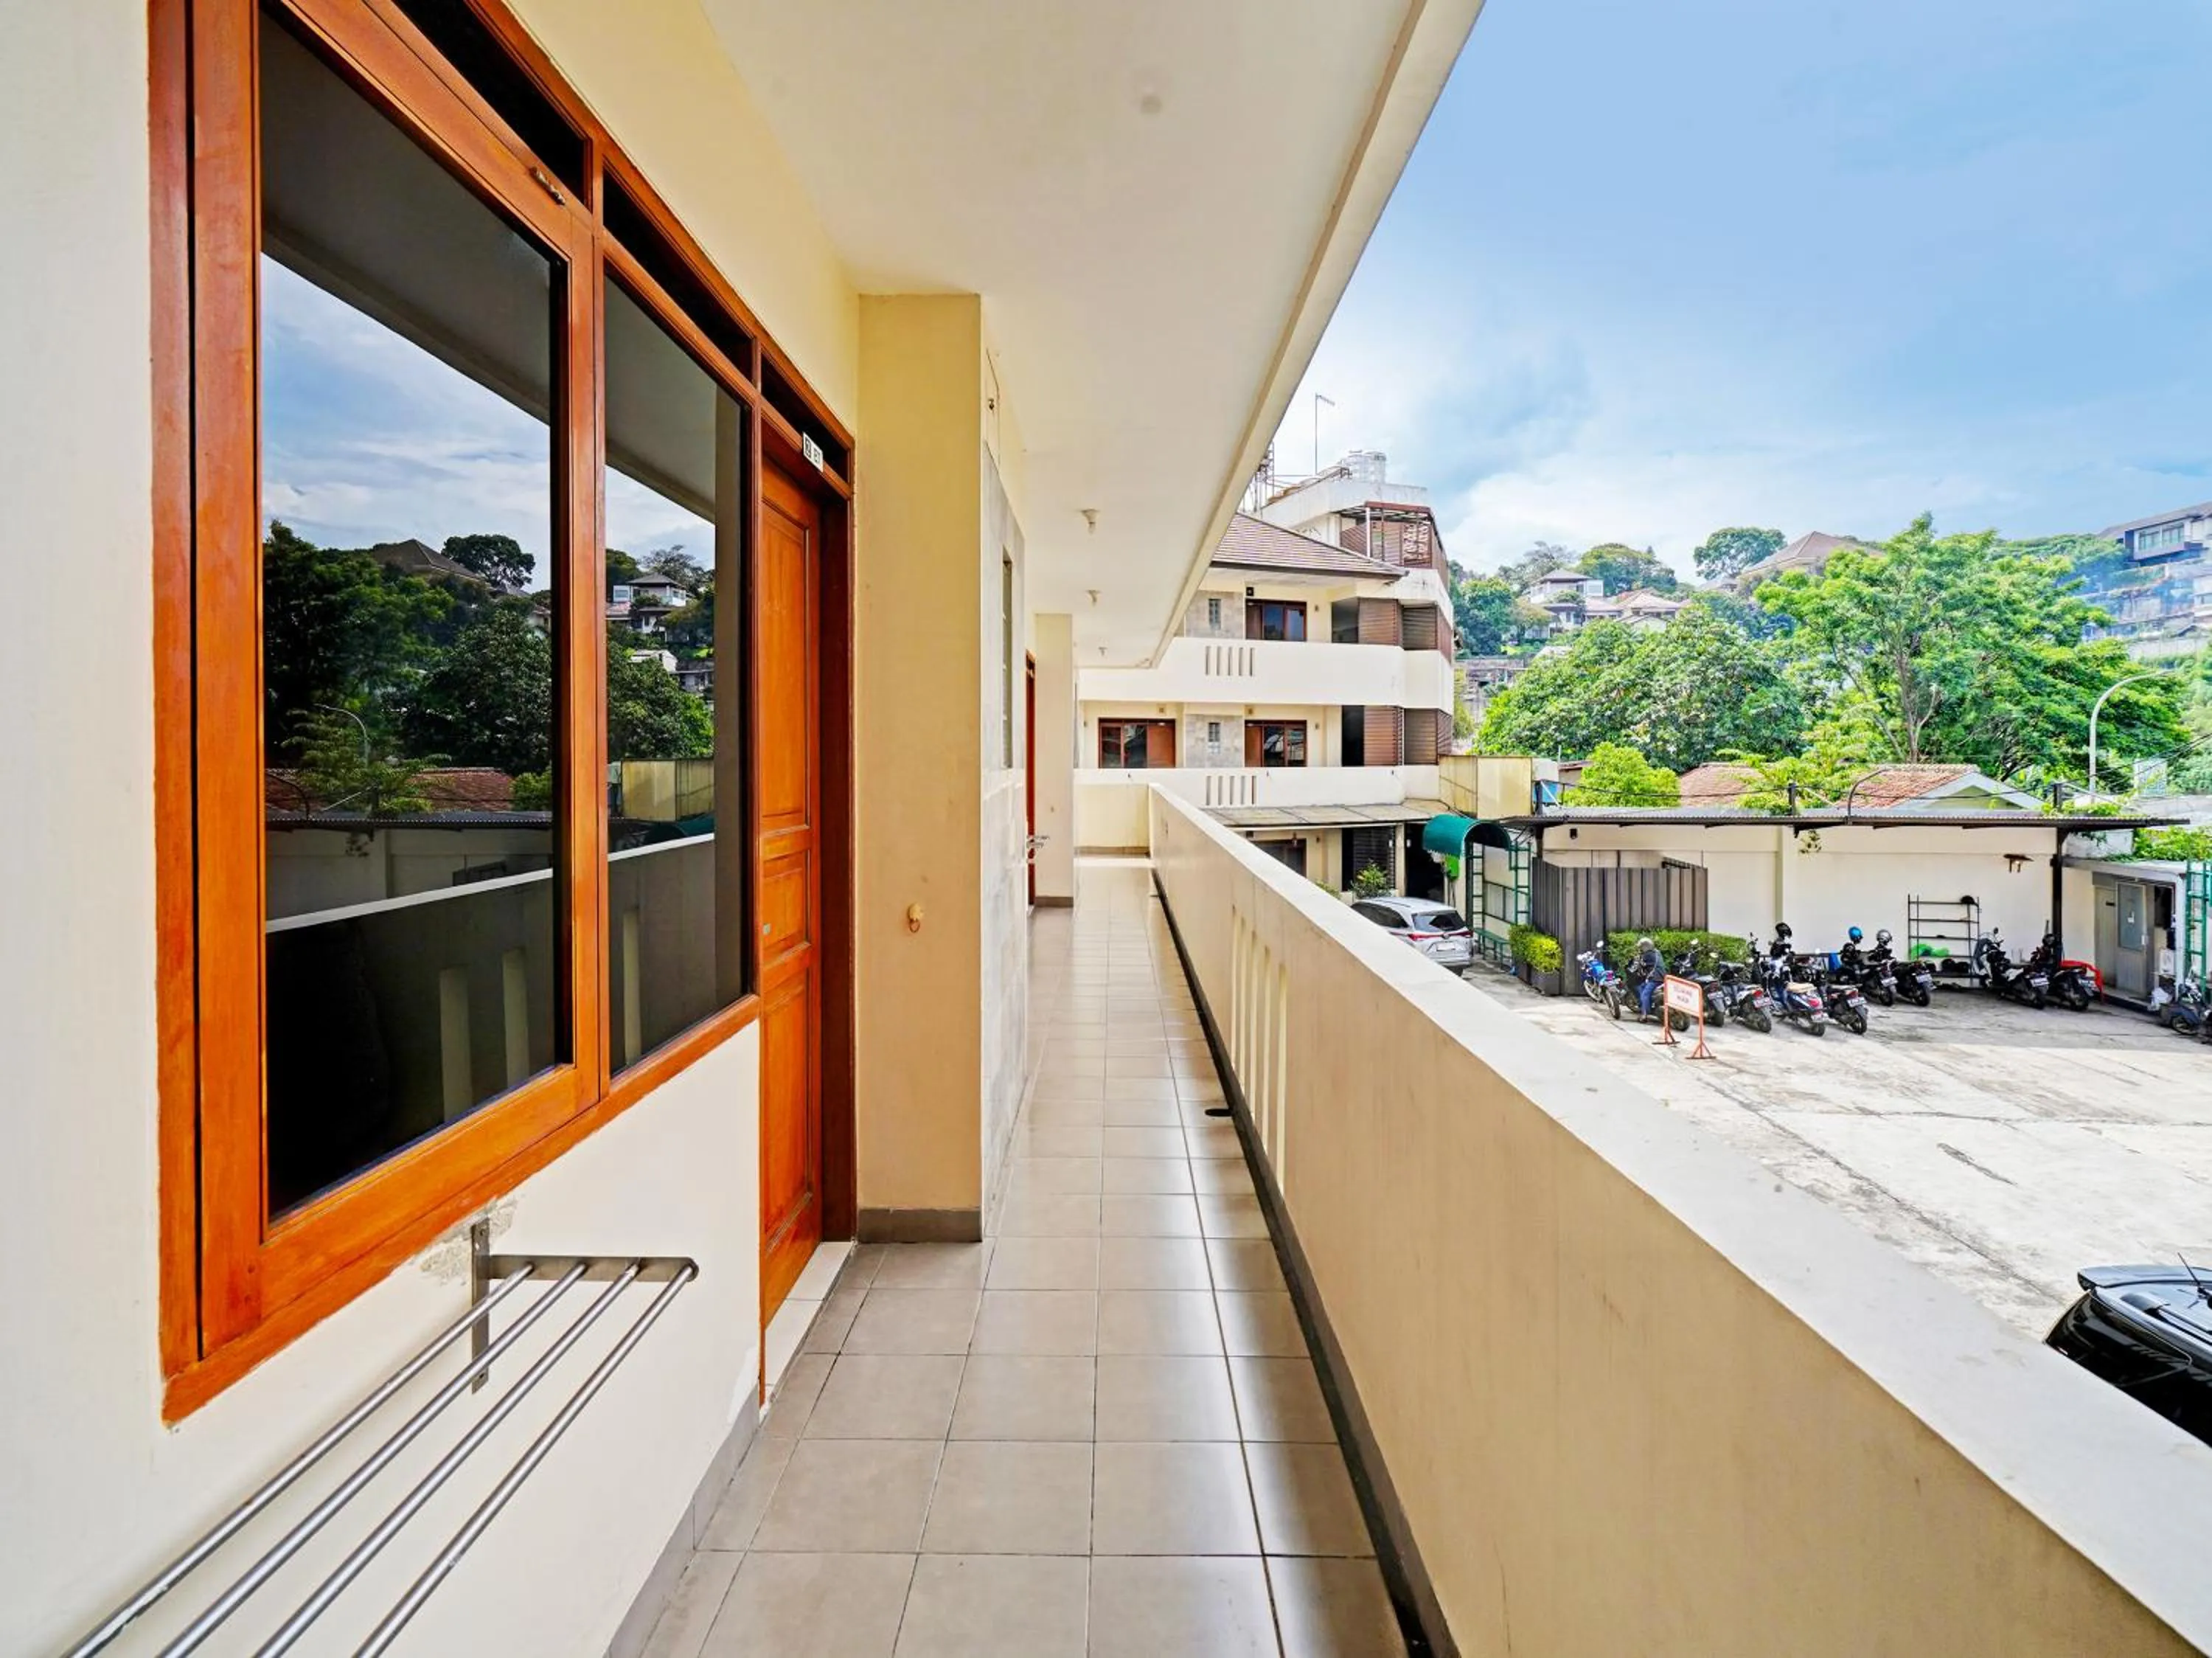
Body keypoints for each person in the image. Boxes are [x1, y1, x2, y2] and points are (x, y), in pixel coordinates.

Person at [1633, 934, 1664, 1016]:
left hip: (1655, 978)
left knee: (1644, 995)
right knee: (1642, 986)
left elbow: (1640, 965)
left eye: (1641, 948)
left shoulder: (1647, 955)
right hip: (1661, 976)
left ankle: (1645, 1014)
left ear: (1645, 947)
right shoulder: (1657, 952)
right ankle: (1649, 1005)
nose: (1640, 949)